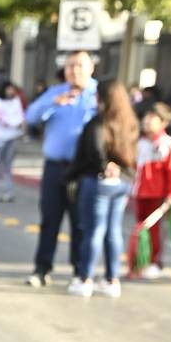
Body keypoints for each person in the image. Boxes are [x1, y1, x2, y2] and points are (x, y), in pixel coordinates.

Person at [23, 51, 98, 286]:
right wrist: (52, 102)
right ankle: (41, 269)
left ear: (91, 68)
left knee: (81, 223)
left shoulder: (97, 95)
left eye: (79, 65)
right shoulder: (56, 92)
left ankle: (79, 271)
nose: (74, 70)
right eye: (70, 66)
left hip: (84, 169)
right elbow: (31, 116)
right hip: (55, 168)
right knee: (50, 220)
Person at [67, 78, 137, 298]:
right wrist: (117, 169)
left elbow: (93, 152)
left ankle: (85, 278)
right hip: (122, 184)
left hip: (97, 182)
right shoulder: (130, 122)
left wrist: (105, 166)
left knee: (93, 231)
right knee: (113, 231)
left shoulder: (98, 123)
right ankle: (111, 279)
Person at [132, 102, 171, 279]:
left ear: (163, 122)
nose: (147, 121)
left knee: (153, 231)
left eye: (153, 118)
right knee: (139, 229)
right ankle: (139, 262)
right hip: (139, 192)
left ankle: (154, 262)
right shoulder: (140, 141)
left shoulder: (166, 143)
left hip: (157, 194)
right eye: (146, 117)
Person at [0, 81, 26, 199]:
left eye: (12, 89)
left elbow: (21, 115)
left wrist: (20, 124)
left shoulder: (16, 101)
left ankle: (7, 192)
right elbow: (1, 120)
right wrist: (16, 124)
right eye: (8, 89)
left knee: (7, 166)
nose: (11, 91)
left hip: (12, 138)